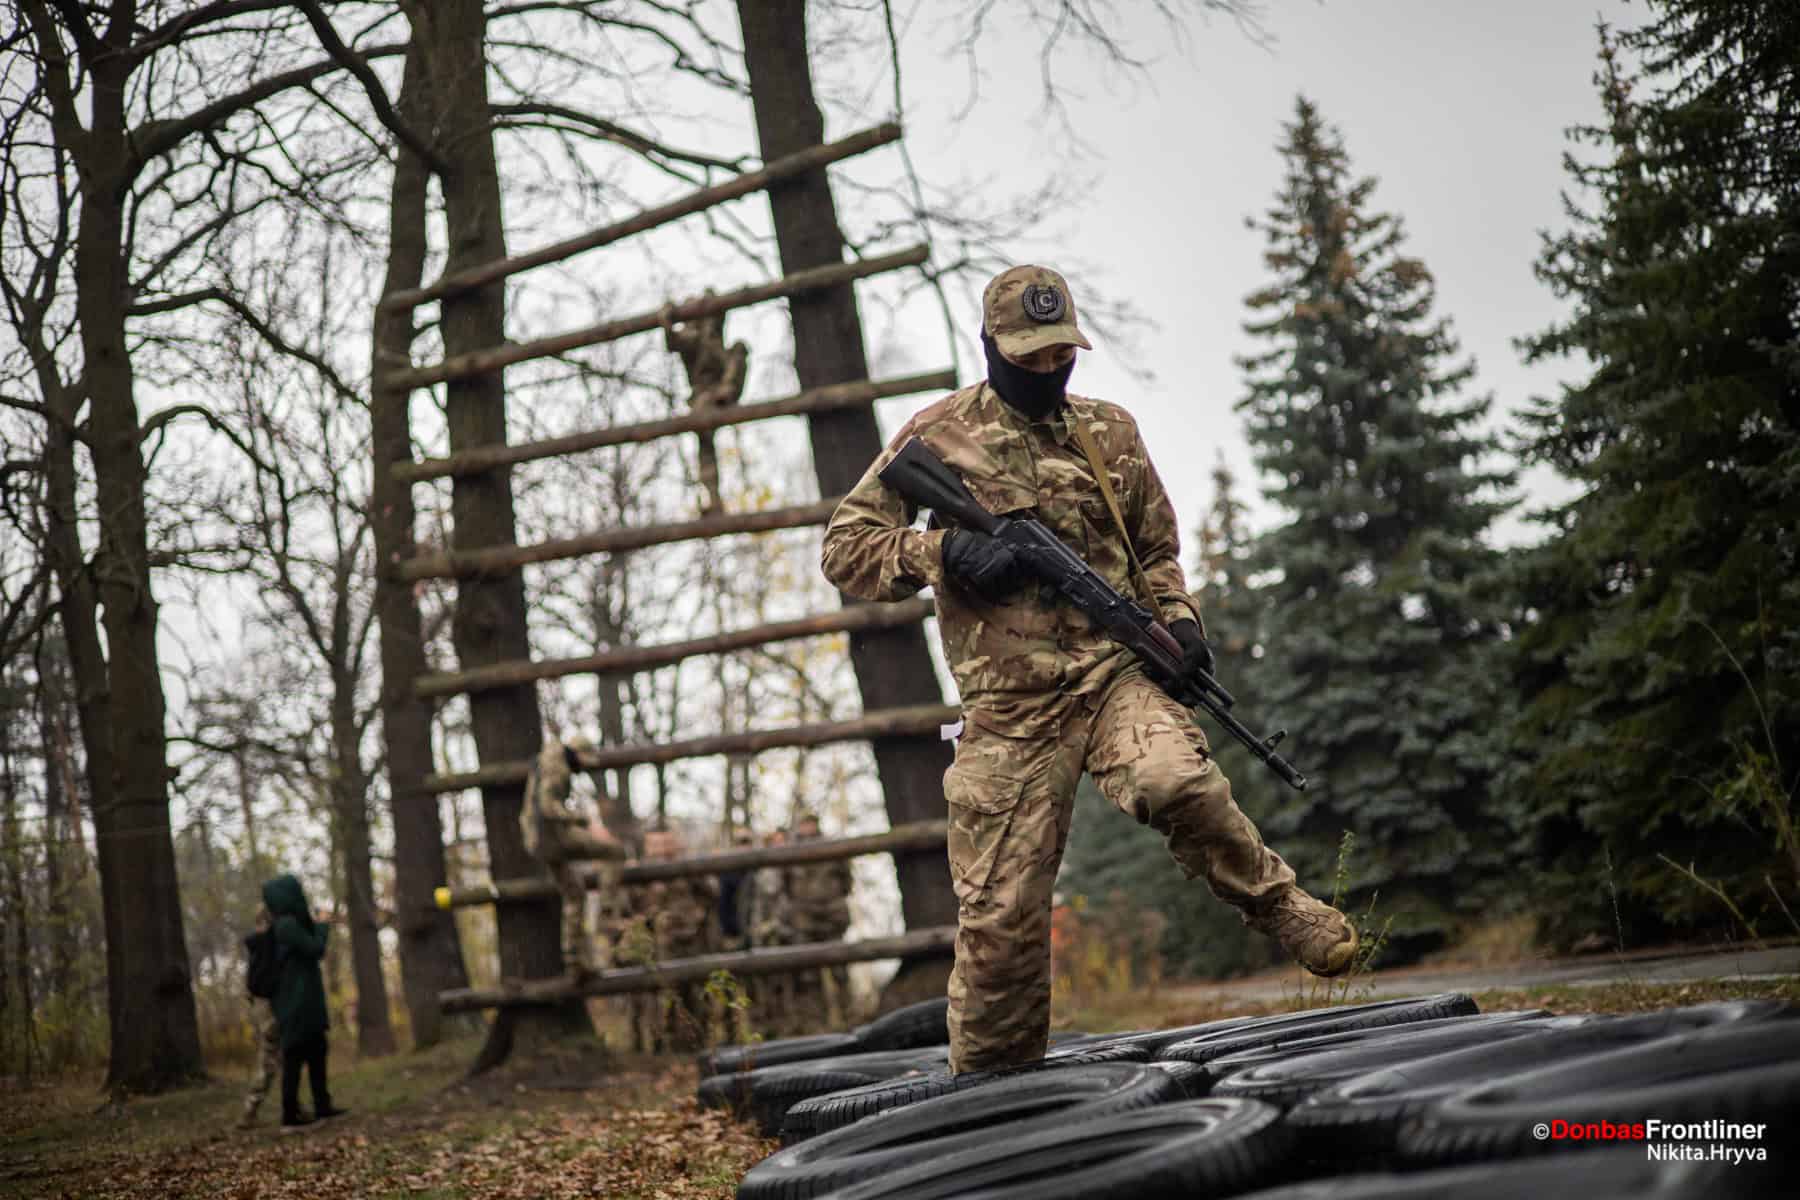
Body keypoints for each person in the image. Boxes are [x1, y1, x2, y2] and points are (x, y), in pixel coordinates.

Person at [820, 264, 1358, 1075]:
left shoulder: (1110, 432)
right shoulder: (937, 435)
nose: (1044, 371)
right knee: (1001, 924)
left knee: (1176, 779)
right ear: (991, 346)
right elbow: (845, 548)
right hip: (1008, 709)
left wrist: (1179, 622)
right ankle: (995, 1107)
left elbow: (1156, 551)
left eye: (1057, 355)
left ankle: (1281, 906)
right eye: (1027, 356)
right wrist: (944, 551)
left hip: (1112, 674)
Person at [519, 736, 627, 981]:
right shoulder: (558, 768)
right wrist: (576, 818)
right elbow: (548, 806)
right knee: (614, 851)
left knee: (574, 893)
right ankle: (607, 912)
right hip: (554, 837)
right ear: (576, 754)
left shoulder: (545, 758)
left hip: (537, 842)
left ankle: (573, 962)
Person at [261, 873, 346, 1129]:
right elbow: (314, 948)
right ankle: (290, 1114)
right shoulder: (285, 926)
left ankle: (322, 1105)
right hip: (296, 1004)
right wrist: (322, 925)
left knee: (317, 1051)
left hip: (302, 1003)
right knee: (295, 1056)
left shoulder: (286, 924)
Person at [784, 811, 854, 1028]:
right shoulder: (789, 852)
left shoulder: (832, 848)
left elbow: (847, 880)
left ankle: (849, 1018)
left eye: (810, 823)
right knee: (809, 975)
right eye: (803, 824)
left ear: (817, 824)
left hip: (832, 915)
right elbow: (786, 885)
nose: (807, 828)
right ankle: (816, 1024)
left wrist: (832, 901)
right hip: (804, 919)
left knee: (840, 971)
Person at [237, 905, 281, 1128]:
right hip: (268, 1007)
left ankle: (291, 1105)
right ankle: (250, 1110)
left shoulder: (257, 945)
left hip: (263, 1006)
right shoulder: (264, 943)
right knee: (270, 1058)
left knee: (277, 1058)